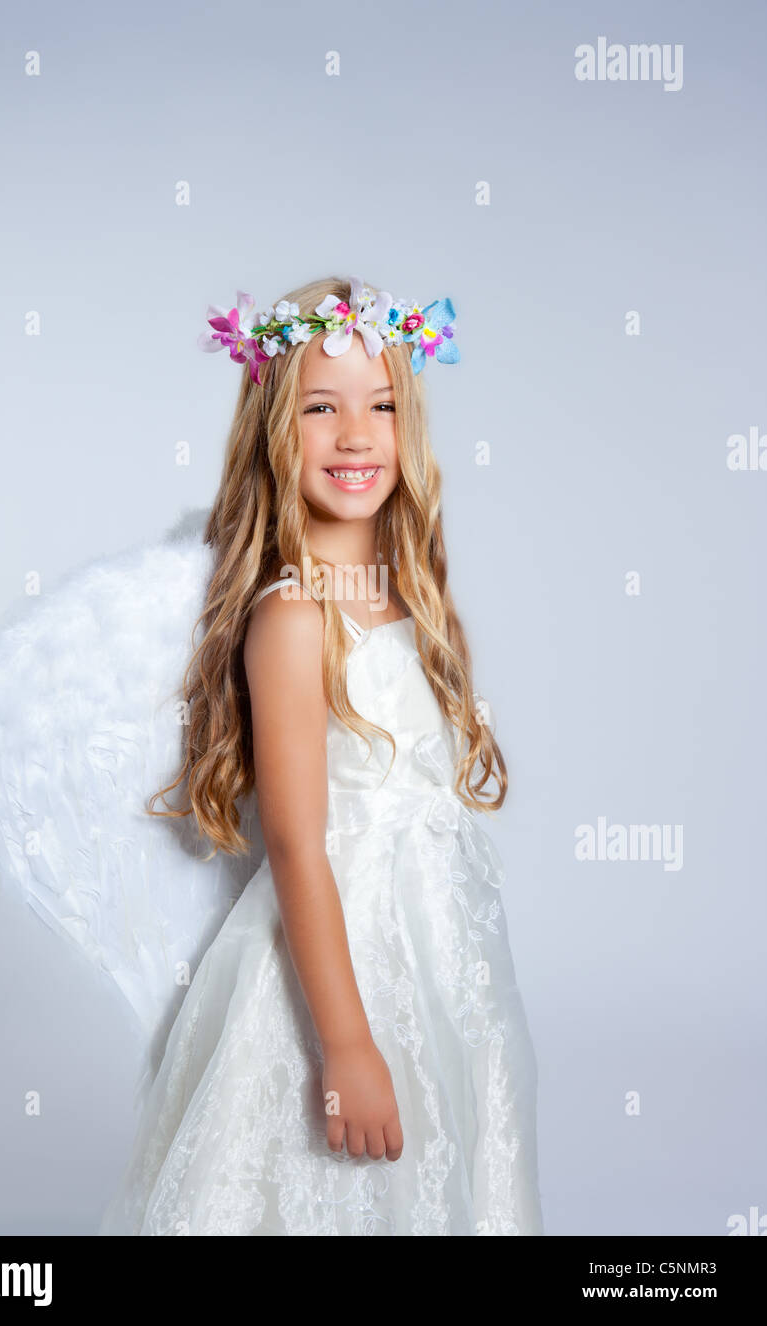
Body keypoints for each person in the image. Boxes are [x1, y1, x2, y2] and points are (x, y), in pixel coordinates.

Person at [97, 274, 543, 1236]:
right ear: (274, 428)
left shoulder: (407, 601)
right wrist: (344, 1045)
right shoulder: (294, 617)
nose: (356, 434)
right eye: (321, 408)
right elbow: (299, 846)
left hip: (435, 947)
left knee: (440, 1163)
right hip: (332, 964)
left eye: (381, 405)